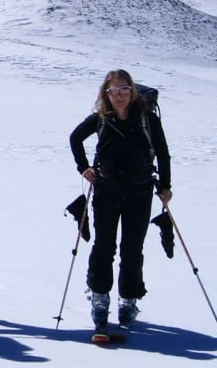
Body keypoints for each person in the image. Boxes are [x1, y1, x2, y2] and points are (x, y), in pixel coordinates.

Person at [69, 70, 171, 328]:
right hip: (107, 189)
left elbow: (163, 153)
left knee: (132, 248)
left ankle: (129, 299)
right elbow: (75, 138)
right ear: (106, 93)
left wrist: (166, 187)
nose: (119, 96)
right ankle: (100, 297)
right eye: (113, 91)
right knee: (104, 245)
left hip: (139, 190)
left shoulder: (148, 120)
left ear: (132, 91)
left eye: (124, 90)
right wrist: (83, 167)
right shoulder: (100, 119)